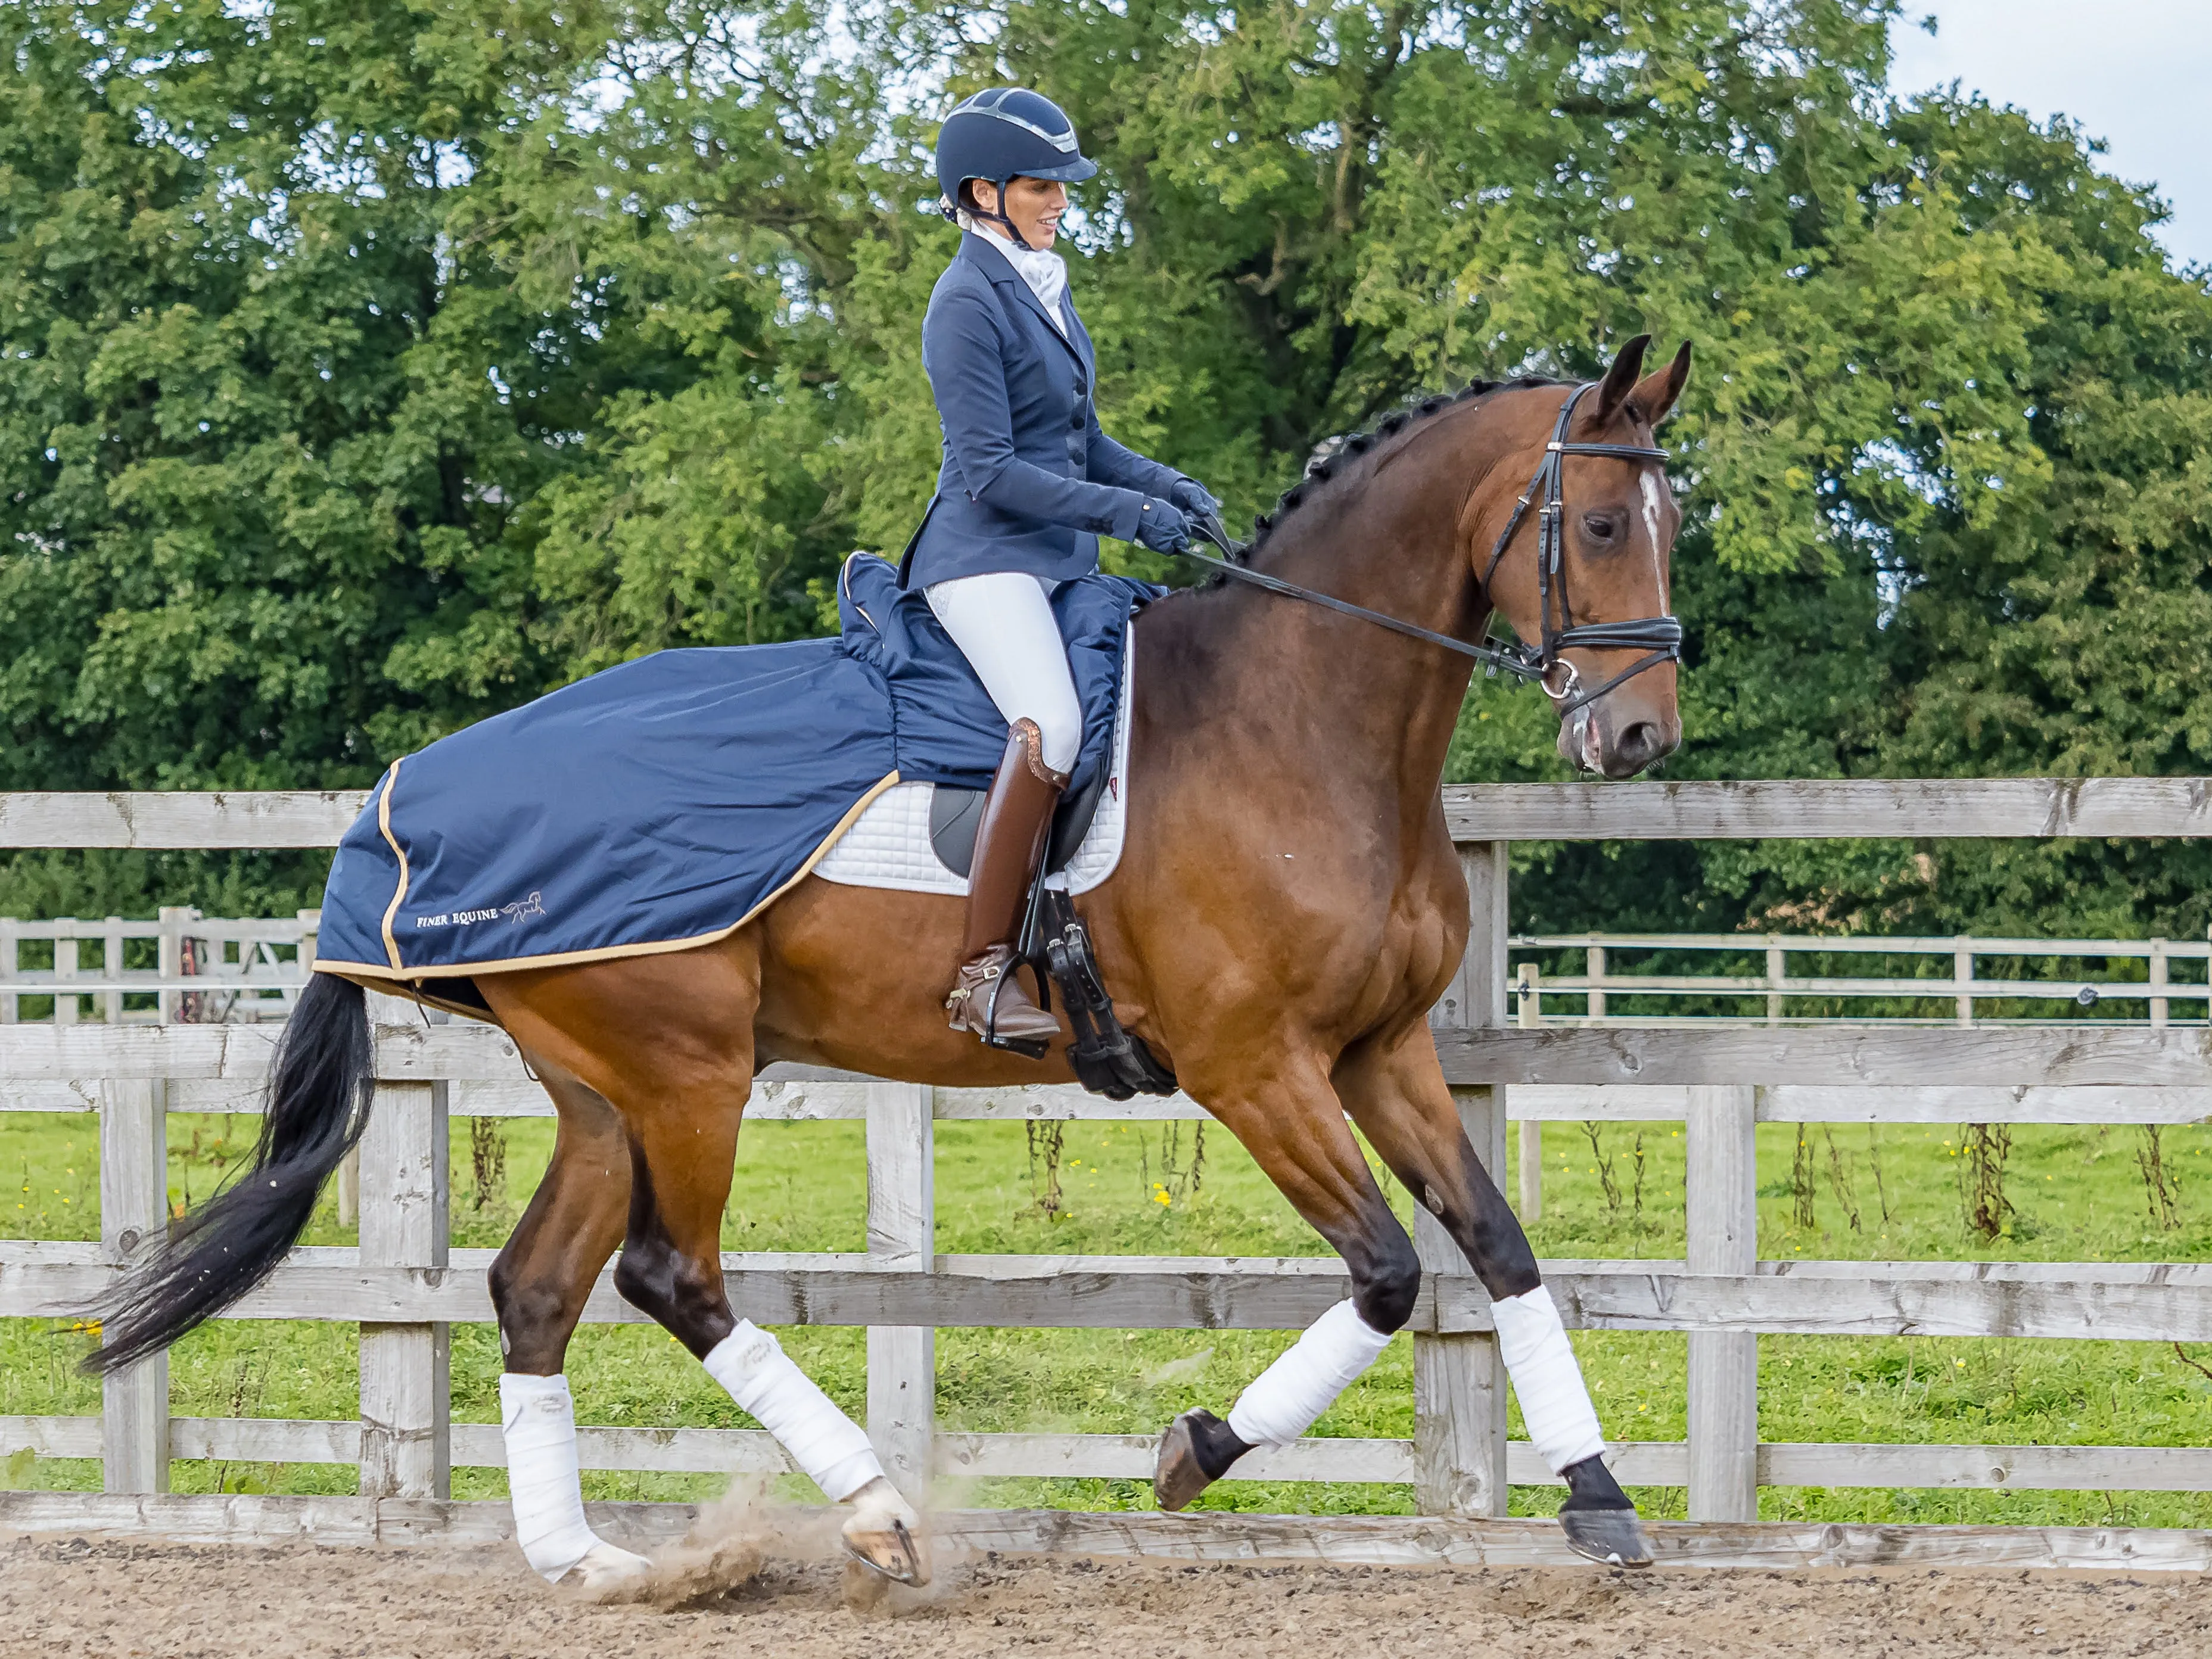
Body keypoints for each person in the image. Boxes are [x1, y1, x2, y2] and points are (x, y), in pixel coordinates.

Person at [902, 87, 1218, 1047]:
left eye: (1061, 186)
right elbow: (994, 474)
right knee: (1057, 725)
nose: (1061, 202)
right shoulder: (963, 303)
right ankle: (981, 975)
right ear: (983, 192)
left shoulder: (1041, 282)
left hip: (1056, 561)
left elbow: (1078, 439)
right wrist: (1132, 516)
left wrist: (1168, 485)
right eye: (1043, 186)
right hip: (985, 559)